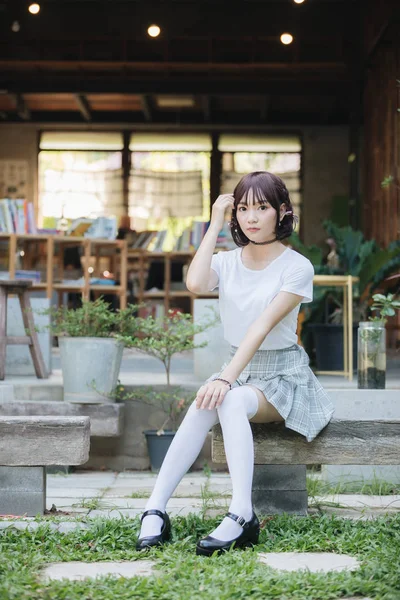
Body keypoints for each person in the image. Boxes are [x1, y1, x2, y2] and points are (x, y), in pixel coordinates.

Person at [136, 171, 334, 556]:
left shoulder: (297, 266)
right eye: (243, 208)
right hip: (238, 370)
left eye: (262, 207)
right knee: (201, 405)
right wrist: (213, 224)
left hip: (282, 377)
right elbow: (194, 283)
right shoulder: (227, 263)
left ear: (282, 212)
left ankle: (242, 514)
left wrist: (225, 380)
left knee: (224, 398)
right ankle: (155, 507)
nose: (252, 217)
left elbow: (261, 327)